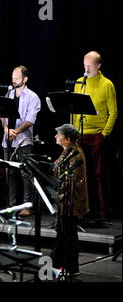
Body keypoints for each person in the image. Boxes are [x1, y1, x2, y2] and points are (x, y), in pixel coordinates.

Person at [72, 51, 118, 221]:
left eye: (89, 65)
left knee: (98, 175)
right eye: (84, 65)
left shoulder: (107, 84)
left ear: (98, 66)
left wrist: (104, 134)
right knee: (80, 174)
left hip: (97, 136)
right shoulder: (79, 82)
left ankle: (102, 212)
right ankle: (83, 210)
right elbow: (74, 109)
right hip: (80, 135)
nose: (86, 68)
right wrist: (73, 131)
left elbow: (113, 111)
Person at [1, 65, 41, 216]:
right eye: (12, 78)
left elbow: (30, 120)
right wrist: (6, 129)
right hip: (8, 139)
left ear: (25, 79)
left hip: (23, 141)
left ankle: (26, 206)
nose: (14, 80)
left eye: (17, 78)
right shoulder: (9, 94)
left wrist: (16, 132)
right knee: (9, 173)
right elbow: (2, 115)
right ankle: (11, 205)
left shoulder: (33, 97)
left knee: (25, 174)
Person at [51, 124, 89, 277]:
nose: (55, 137)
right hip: (66, 201)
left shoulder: (74, 153)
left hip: (70, 202)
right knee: (62, 234)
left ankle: (70, 268)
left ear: (67, 139)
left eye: (58, 135)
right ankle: (57, 264)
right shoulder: (69, 151)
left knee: (68, 235)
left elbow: (65, 179)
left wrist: (56, 194)